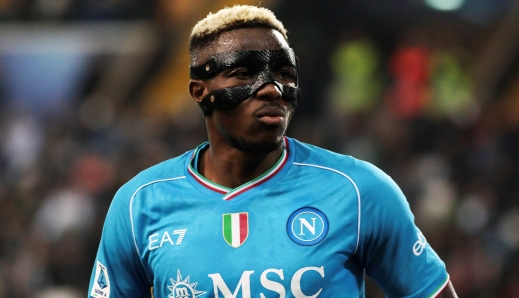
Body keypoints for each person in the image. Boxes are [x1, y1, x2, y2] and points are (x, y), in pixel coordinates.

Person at [88, 5, 458, 298]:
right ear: (199, 91)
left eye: (284, 73)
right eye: (245, 73)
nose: (272, 88)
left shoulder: (360, 191)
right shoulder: (139, 203)